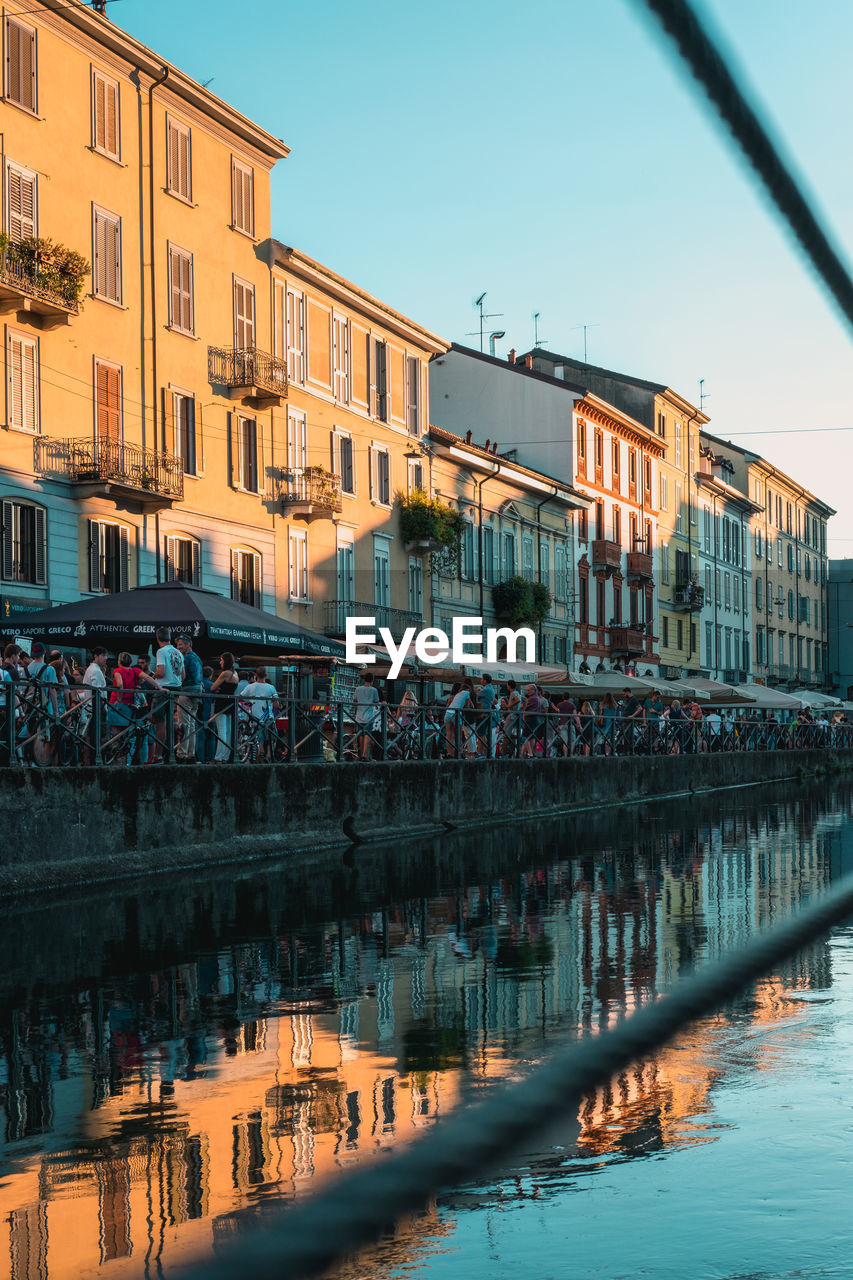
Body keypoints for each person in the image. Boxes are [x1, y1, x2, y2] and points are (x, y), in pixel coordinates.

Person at [151, 627, 184, 762]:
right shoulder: (178, 652)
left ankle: (157, 755)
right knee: (170, 720)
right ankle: (178, 728)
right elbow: (183, 675)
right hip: (177, 688)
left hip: (164, 688)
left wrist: (152, 676)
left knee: (159, 721)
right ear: (170, 637)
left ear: (158, 638)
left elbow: (161, 672)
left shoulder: (161, 651)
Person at [174, 634, 204, 762]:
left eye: (181, 644)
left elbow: (182, 676)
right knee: (191, 724)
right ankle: (190, 754)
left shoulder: (184, 658)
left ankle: (181, 754)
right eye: (178, 645)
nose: (178, 647)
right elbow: (199, 678)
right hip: (197, 691)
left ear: (188, 644)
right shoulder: (197, 657)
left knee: (184, 724)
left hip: (186, 691)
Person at [241, 666, 280, 760]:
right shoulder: (271, 688)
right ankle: (269, 755)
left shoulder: (250, 687)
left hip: (253, 716)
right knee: (274, 736)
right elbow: (276, 704)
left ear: (256, 675)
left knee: (258, 738)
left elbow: (240, 696)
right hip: (267, 717)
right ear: (266, 675)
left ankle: (260, 754)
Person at [79, 645, 109, 763]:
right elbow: (97, 692)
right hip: (95, 708)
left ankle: (90, 761)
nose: (105, 658)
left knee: (91, 737)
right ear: (95, 656)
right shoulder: (95, 671)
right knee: (95, 737)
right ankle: (93, 761)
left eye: (106, 655)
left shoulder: (92, 669)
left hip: (92, 707)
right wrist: (103, 707)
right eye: (103, 655)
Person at [210, 652, 240, 762]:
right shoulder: (235, 673)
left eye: (221, 660)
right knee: (228, 731)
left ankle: (217, 757)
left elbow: (213, 687)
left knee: (221, 731)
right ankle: (225, 757)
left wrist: (218, 689)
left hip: (221, 703)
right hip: (231, 702)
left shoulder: (225, 673)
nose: (220, 662)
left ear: (226, 661)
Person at [354, 670, 380, 760]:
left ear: (364, 679)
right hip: (369, 716)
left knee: (360, 735)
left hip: (359, 715)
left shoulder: (358, 689)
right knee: (367, 734)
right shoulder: (374, 690)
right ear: (372, 681)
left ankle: (361, 753)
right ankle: (364, 754)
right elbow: (376, 701)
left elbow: (355, 700)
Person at [477, 674, 498, 758]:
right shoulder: (490, 688)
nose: (480, 680)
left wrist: (477, 692)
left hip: (484, 714)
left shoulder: (486, 689)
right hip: (486, 713)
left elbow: (477, 695)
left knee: (481, 734)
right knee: (483, 734)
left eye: (482, 679)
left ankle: (481, 753)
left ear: (485, 680)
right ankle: (485, 753)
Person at [197, 666, 215, 763]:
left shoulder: (199, 683)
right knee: (211, 738)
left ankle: (201, 759)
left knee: (200, 738)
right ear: (210, 675)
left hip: (199, 713)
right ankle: (210, 758)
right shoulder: (213, 685)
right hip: (211, 714)